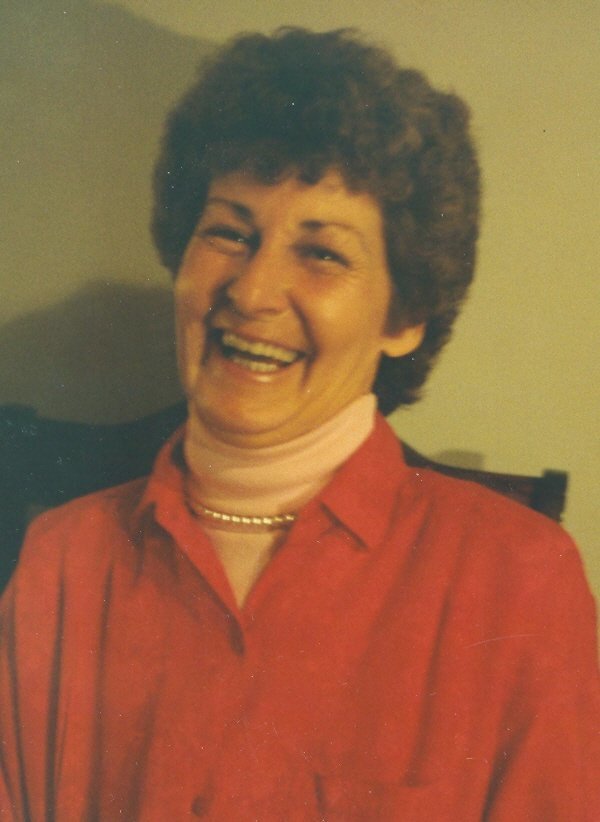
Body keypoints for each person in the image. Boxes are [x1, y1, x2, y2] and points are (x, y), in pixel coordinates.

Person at [0, 27, 598, 821]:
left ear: (405, 316)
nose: (252, 292)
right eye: (229, 233)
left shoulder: (517, 581)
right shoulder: (63, 562)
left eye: (323, 254)